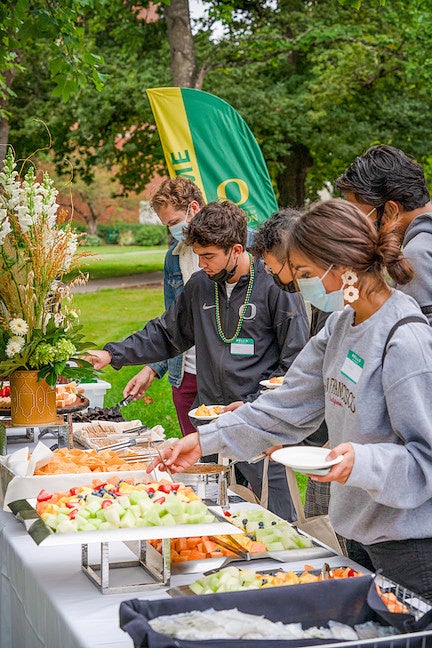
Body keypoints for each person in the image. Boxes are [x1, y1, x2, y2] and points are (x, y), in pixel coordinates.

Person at [149, 198, 432, 601]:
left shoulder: (405, 340)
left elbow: (427, 461)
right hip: (358, 533)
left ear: (343, 267)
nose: (301, 286)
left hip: (412, 546)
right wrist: (205, 440)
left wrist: (360, 462)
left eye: (306, 273)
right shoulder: (338, 327)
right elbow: (283, 408)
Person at [86, 200, 310, 521]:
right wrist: (113, 353)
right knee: (224, 514)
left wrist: (256, 406)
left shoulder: (275, 284)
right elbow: (165, 334)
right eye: (198, 255)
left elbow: (295, 363)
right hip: (214, 426)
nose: (201, 264)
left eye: (208, 257)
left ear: (235, 249)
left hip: (261, 426)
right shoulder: (201, 286)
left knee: (277, 520)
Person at [252, 209, 333, 521]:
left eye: (276, 271)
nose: (276, 281)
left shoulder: (336, 308)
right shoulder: (322, 303)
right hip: (324, 449)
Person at [124, 177, 204, 436]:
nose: (172, 231)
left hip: (225, 375)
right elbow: (172, 325)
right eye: (166, 226)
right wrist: (153, 368)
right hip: (186, 374)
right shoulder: (174, 258)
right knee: (196, 459)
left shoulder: (241, 245)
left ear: (194, 208)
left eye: (174, 223)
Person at [336, 144, 432, 324]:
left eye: (362, 220)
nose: (361, 230)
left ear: (390, 210)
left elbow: (416, 343)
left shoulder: (416, 257)